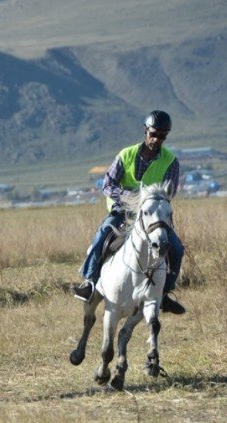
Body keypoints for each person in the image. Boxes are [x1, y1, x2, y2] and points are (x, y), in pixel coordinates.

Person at [73, 110, 186, 314]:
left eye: (162, 136)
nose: (156, 139)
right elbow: (108, 184)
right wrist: (131, 199)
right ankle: (89, 282)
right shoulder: (126, 154)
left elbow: (169, 192)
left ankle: (165, 293)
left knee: (177, 248)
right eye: (153, 133)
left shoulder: (171, 161)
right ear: (145, 130)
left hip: (152, 216)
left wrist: (149, 203)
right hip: (122, 211)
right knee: (102, 235)